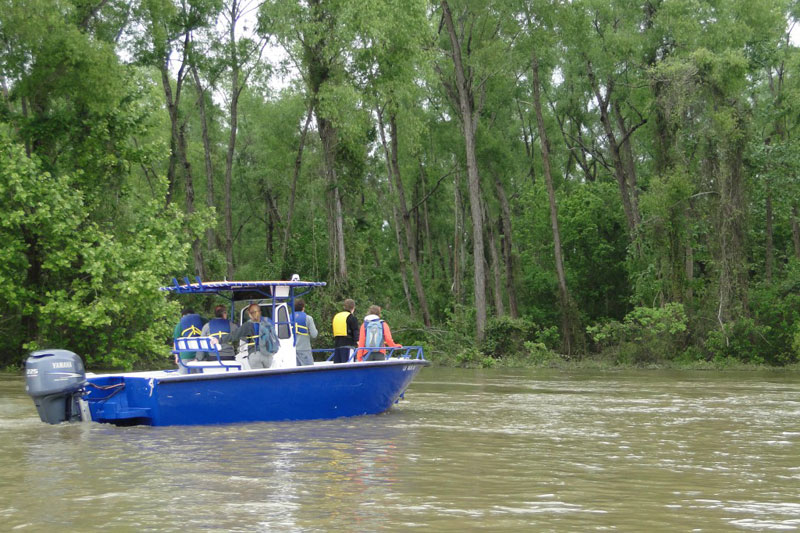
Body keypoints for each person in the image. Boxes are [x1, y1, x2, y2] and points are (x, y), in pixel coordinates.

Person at [220, 303, 279, 369]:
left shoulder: (248, 325)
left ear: (250, 314)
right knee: (265, 377)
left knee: (259, 378)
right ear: (260, 312)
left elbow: (234, 335)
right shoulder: (268, 322)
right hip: (268, 356)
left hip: (255, 354)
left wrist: (220, 340)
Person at [332, 298, 359, 363]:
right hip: (348, 346)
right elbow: (355, 332)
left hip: (337, 346)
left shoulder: (337, 316)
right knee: (349, 367)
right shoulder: (351, 317)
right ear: (353, 308)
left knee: (338, 368)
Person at [293, 299, 318, 366]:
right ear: (303, 308)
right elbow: (314, 334)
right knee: (309, 372)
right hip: (304, 349)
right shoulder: (308, 318)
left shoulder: (288, 318)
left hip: (292, 350)